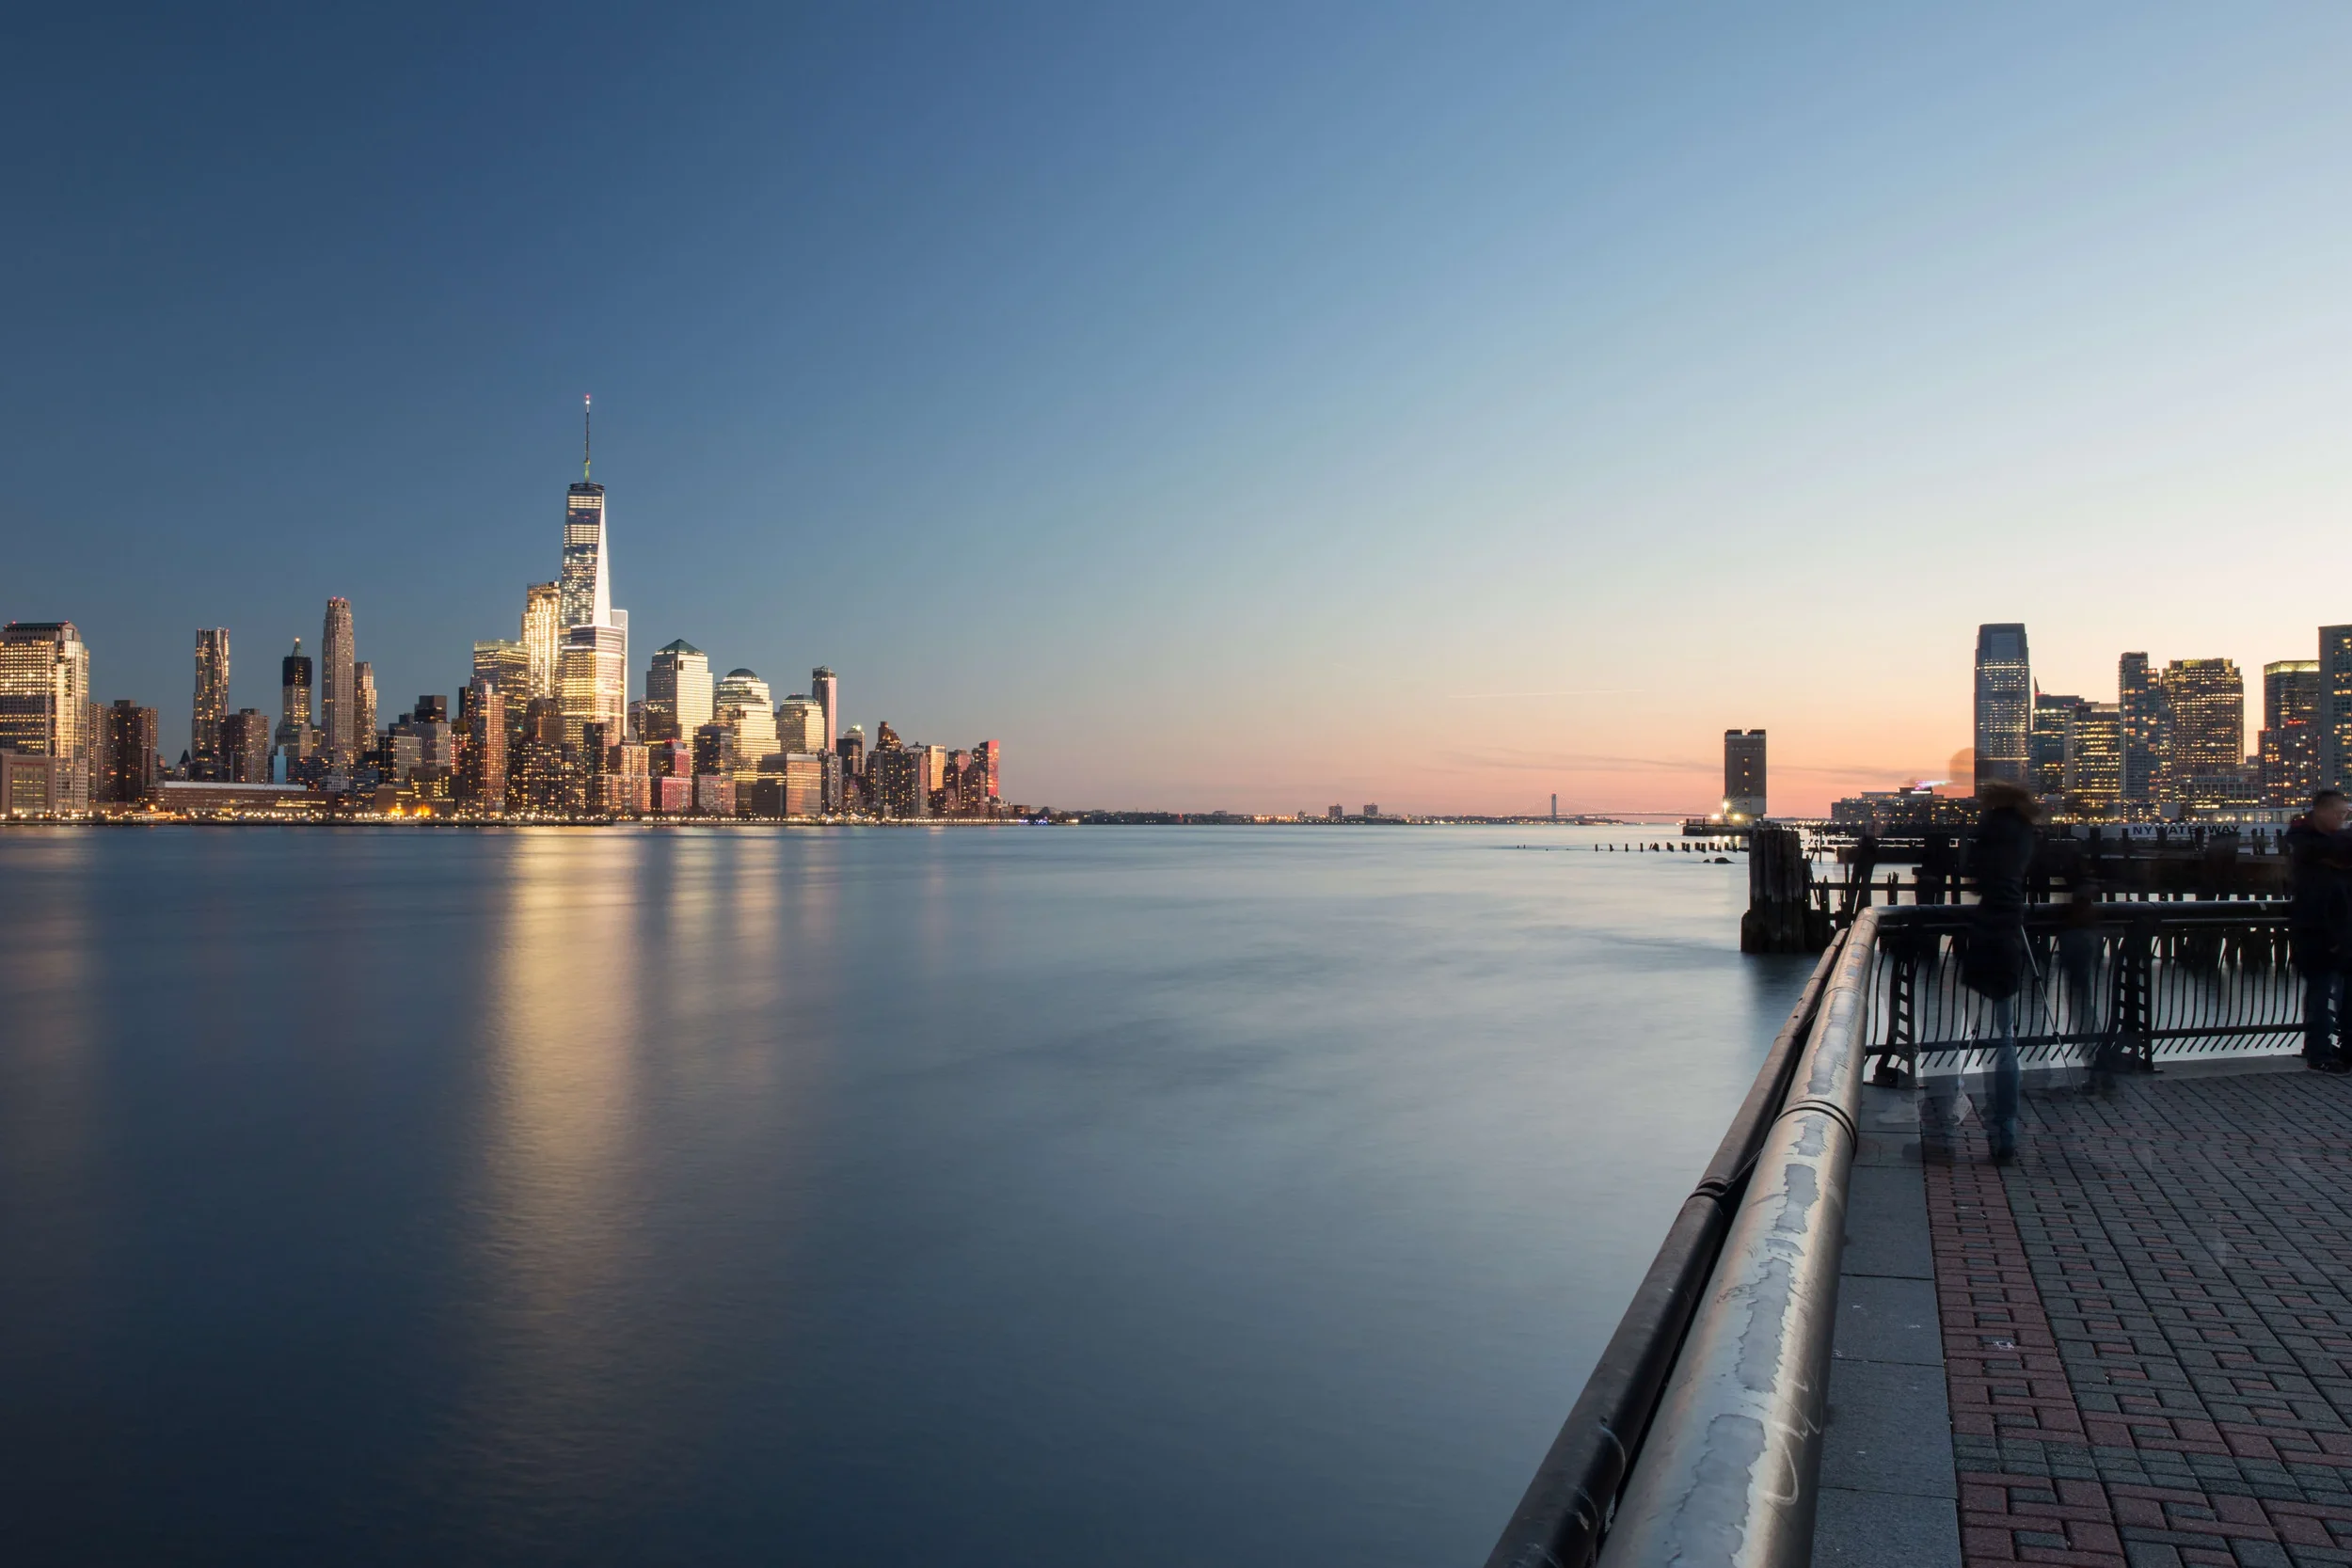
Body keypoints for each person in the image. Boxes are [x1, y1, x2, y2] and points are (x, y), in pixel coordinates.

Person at [1961, 782, 2040, 1163]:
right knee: (2005, 1037)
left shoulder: (1992, 828)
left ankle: (1949, 1123)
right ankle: (2006, 1130)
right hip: (2012, 933)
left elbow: (1972, 872)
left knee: (1968, 1034)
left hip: (1987, 932)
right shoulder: (2025, 830)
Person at [2285, 788, 2352, 1072]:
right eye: (2340, 812)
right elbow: (2317, 896)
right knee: (2321, 995)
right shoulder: (2314, 849)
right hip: (2320, 934)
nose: (2343, 817)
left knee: (2341, 998)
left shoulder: (2311, 845)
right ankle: (2320, 1053)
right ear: (2322, 811)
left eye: (2346, 814)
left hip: (2340, 932)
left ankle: (2338, 1051)